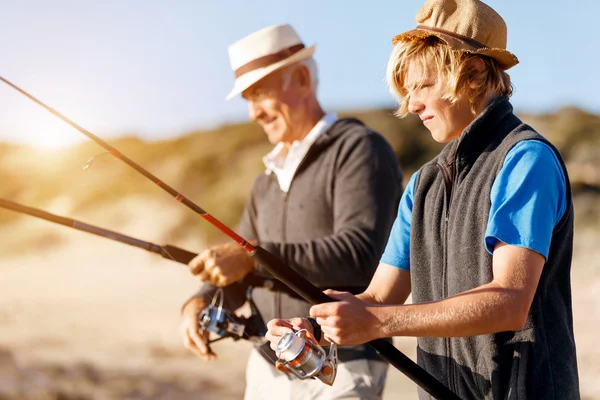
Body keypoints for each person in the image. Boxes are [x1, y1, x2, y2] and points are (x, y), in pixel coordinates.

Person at [266, 1, 580, 399]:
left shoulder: (525, 160)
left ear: (475, 71)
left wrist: (380, 324)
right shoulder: (423, 184)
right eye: (407, 89)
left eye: (423, 85)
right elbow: (379, 298)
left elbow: (509, 301)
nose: (411, 104)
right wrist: (313, 325)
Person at [179, 24, 403, 400]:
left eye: (259, 94)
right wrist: (200, 299)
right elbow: (241, 259)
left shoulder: (360, 149)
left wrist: (252, 259)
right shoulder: (264, 182)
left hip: (341, 366)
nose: (253, 113)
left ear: (301, 78)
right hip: (267, 368)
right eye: (246, 99)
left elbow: (361, 254)